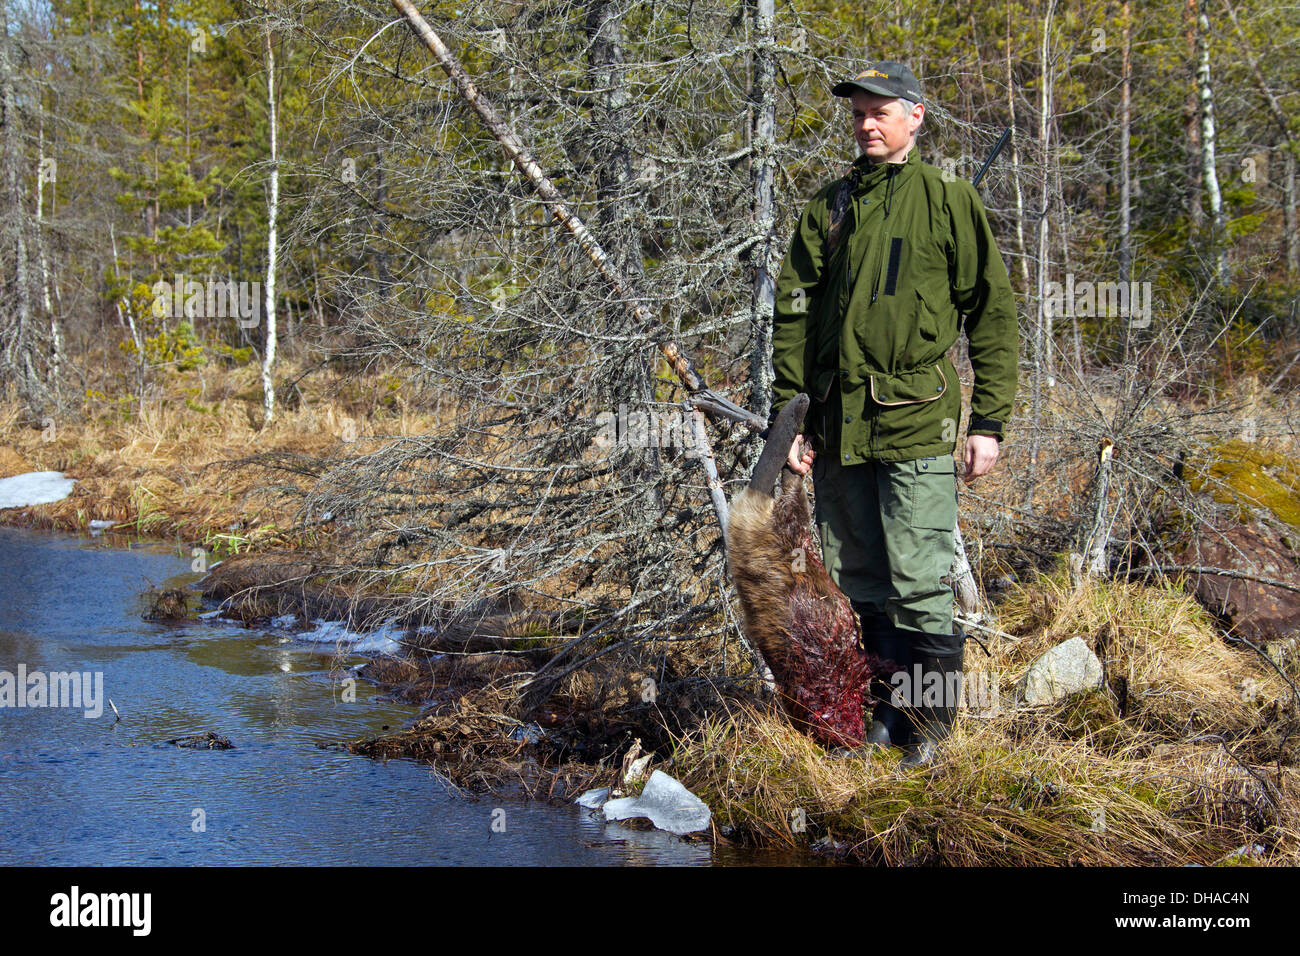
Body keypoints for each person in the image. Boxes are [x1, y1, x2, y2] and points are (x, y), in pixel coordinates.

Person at [768, 61, 1019, 765]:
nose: (867, 123)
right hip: (837, 425)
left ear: (916, 116)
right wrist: (791, 422)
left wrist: (989, 422)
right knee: (861, 581)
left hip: (916, 420)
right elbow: (792, 312)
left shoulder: (946, 200)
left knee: (917, 579)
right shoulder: (829, 206)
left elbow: (992, 316)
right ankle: (884, 718)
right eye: (858, 113)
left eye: (880, 111)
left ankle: (930, 730)